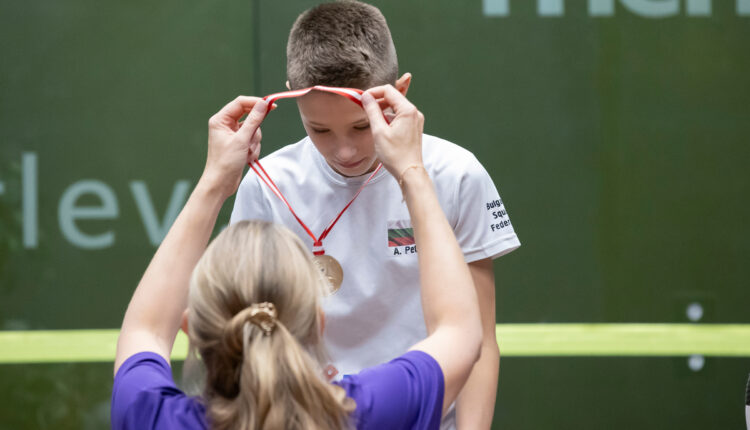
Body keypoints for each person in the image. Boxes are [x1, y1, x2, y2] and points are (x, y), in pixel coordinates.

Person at [111, 87, 482, 429]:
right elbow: (459, 331)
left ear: (189, 326)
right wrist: (412, 172)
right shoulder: (363, 413)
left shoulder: (153, 416)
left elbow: (145, 330)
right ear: (318, 323)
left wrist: (214, 183)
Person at [230, 2, 520, 428]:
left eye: (362, 126)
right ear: (291, 93)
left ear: (399, 91)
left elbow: (479, 340)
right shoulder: (266, 185)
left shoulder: (456, 174)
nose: (344, 150)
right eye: (319, 130)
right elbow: (249, 341)